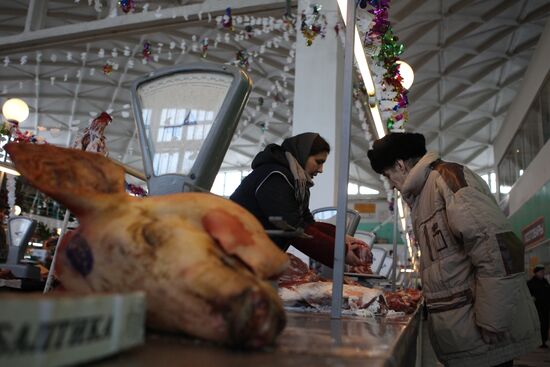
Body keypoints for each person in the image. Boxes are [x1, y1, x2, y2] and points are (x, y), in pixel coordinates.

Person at [367, 132, 540, 367]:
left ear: (400, 164)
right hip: (466, 335)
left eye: (388, 176)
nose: (391, 185)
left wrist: (493, 320)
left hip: (484, 336)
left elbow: (497, 247)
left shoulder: (447, 180)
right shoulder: (423, 194)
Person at [230, 132, 371, 268]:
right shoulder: (276, 177)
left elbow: (307, 222)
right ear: (303, 155)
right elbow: (291, 227)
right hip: (233, 253)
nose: (321, 169)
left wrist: (342, 239)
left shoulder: (297, 181)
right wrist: (341, 252)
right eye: (318, 162)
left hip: (250, 253)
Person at [527, 264, 550, 348]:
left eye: (543, 271)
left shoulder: (545, 282)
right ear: (536, 273)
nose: (543, 273)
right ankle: (537, 341)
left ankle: (543, 341)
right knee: (538, 325)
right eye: (541, 272)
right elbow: (527, 296)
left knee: (545, 325)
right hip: (536, 308)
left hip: (545, 308)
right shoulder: (531, 283)